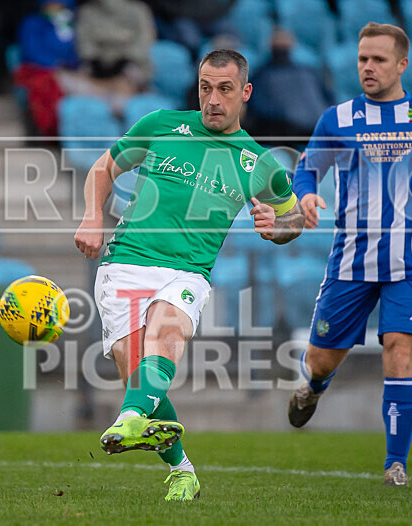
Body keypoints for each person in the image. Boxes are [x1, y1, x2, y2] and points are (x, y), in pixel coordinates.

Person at [74, 49, 305, 501]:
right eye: (205, 87)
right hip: (124, 263)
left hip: (187, 272)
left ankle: (129, 419)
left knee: (164, 337)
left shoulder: (260, 164)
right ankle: (181, 470)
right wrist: (91, 216)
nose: (213, 99)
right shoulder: (161, 124)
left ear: (245, 93)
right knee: (142, 383)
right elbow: (104, 168)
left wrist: (276, 228)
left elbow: (293, 219)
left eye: (224, 89)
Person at [288, 23, 412, 486]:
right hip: (350, 264)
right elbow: (307, 169)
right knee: (321, 360)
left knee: (400, 352)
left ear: (402, 64)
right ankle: (314, 387)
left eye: (378, 60)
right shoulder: (336, 119)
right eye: (362, 59)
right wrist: (306, 196)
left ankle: (394, 464)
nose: (368, 68)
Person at [245, 29, 333, 148]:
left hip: (311, 130)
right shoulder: (263, 75)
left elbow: (326, 99)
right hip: (287, 136)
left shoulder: (308, 72)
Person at [75, 0, 155, 87]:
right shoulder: (87, 12)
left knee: (135, 75)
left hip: (131, 63)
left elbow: (144, 41)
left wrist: (126, 60)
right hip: (97, 65)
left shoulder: (139, 10)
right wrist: (95, 61)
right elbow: (84, 44)